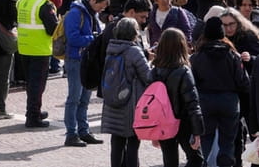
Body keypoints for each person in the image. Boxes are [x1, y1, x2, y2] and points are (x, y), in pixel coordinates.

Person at [191, 17, 250, 167]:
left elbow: (192, 83)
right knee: (228, 142)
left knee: (206, 139)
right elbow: (243, 82)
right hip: (229, 101)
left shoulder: (197, 57)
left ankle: (206, 163)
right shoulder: (233, 55)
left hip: (205, 101)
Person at [100, 17, 152, 167]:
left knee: (116, 142)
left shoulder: (111, 49)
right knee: (133, 143)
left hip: (113, 103)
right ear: (133, 33)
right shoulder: (134, 51)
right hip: (131, 103)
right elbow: (147, 76)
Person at [151, 28, 205, 167]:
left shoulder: (154, 71)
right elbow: (192, 103)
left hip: (163, 121)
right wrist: (197, 131)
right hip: (183, 122)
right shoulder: (184, 71)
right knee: (196, 159)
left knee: (169, 161)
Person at [63, 0, 108, 147]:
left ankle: (83, 131)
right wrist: (93, 38)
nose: (101, 10)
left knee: (84, 99)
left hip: (86, 60)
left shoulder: (91, 14)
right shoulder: (76, 13)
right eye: (100, 7)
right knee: (74, 98)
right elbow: (73, 38)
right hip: (76, 59)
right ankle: (71, 134)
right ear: (93, 0)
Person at [16, 0, 59, 128]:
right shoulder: (45, 4)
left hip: (24, 47)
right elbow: (52, 29)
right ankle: (33, 116)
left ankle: (34, 111)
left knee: (31, 84)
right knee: (37, 85)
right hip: (39, 49)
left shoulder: (22, 0)